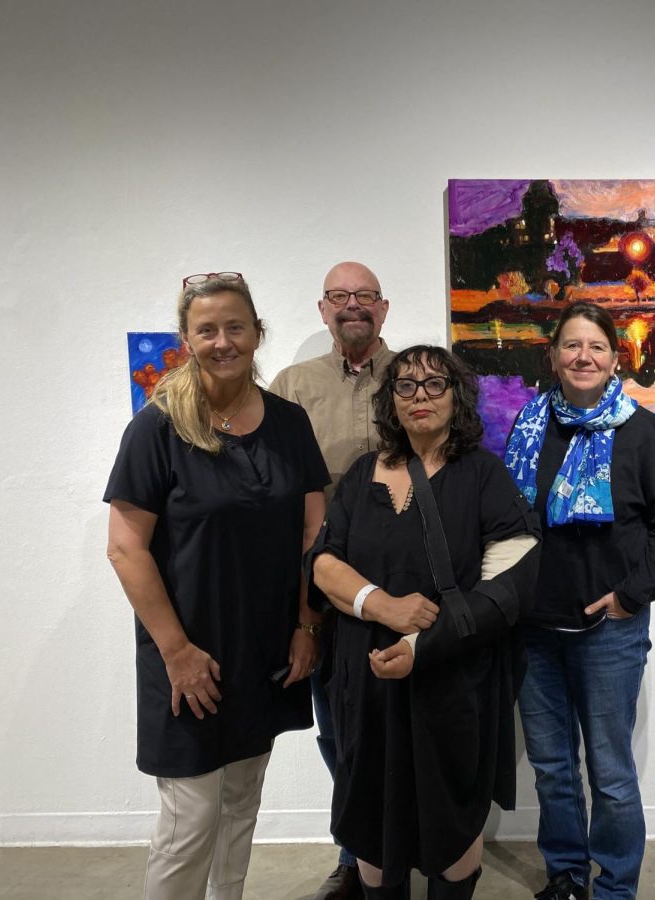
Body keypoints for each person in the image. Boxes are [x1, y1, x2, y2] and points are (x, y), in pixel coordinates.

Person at [104, 273, 329, 899]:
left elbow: (315, 529)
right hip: (189, 655)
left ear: (258, 333)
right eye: (207, 330)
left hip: (266, 650)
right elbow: (125, 547)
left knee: (238, 809)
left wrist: (307, 624)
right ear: (186, 339)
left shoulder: (288, 422)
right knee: (189, 822)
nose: (223, 341)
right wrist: (177, 653)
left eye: (236, 327)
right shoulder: (156, 428)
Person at [311, 345, 541, 900]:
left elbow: (512, 580)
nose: (421, 397)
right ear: (391, 400)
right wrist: (381, 604)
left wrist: (424, 644)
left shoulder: (482, 474)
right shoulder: (364, 472)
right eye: (406, 386)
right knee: (370, 806)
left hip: (453, 678)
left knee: (452, 806)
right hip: (366, 679)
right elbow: (323, 562)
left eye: (435, 385)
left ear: (456, 396)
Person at [503, 302, 655, 900]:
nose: (584, 357)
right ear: (553, 356)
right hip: (535, 627)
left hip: (610, 631)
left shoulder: (639, 430)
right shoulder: (530, 426)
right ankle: (566, 874)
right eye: (572, 345)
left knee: (610, 773)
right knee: (553, 770)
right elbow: (507, 521)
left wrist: (632, 596)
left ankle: (614, 887)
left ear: (614, 359)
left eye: (597, 347)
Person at [269, 261, 395, 900]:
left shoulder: (412, 378)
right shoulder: (292, 386)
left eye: (364, 296)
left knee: (401, 724)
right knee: (338, 731)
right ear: (323, 310)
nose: (353, 306)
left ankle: (405, 846)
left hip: (400, 587)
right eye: (340, 297)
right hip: (321, 587)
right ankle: (354, 856)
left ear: (384, 307)